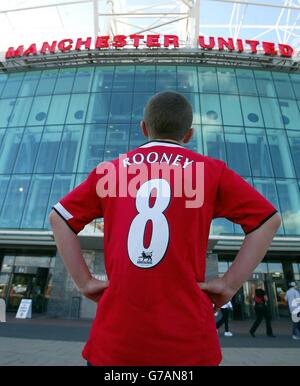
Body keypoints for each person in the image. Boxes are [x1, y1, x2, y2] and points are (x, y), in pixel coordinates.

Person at [49, 91, 281, 366]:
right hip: (188, 344)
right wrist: (229, 284)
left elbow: (59, 218)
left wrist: (85, 282)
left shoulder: (111, 171)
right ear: (189, 134)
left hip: (116, 342)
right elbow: (268, 220)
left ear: (144, 128)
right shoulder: (210, 171)